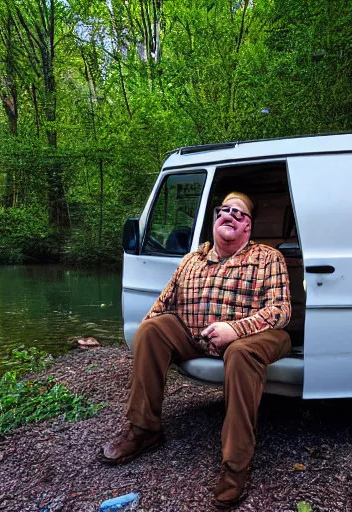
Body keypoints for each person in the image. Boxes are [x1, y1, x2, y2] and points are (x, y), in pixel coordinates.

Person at [101, 191, 292, 509]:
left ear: (248, 227)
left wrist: (235, 329)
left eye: (239, 213)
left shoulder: (268, 257)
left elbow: (281, 310)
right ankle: (143, 429)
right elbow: (163, 303)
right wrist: (144, 346)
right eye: (223, 210)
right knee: (150, 330)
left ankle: (236, 464)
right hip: (195, 334)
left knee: (242, 353)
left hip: (257, 334)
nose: (229, 215)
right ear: (215, 220)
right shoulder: (192, 259)